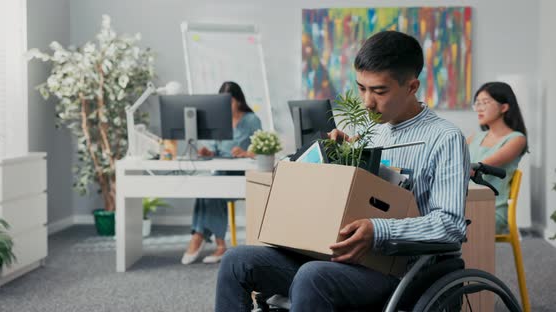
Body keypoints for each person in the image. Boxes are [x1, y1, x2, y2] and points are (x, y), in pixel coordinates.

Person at [215, 30, 471, 311]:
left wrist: (378, 230)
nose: (367, 102)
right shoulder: (368, 131)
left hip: (396, 270)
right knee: (236, 261)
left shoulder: (445, 138)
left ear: (412, 87)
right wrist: (333, 159)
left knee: (312, 276)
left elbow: (450, 225)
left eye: (379, 91)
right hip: (338, 256)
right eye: (362, 88)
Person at [181, 81, 262, 265]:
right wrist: (207, 152)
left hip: (242, 174)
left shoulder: (251, 120)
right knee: (209, 185)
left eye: (231, 102)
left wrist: (245, 153)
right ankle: (210, 240)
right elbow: (215, 148)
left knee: (214, 186)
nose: (227, 107)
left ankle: (203, 238)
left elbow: (262, 150)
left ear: (239, 101)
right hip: (222, 171)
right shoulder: (219, 120)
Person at [468, 82, 528, 234]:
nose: (479, 108)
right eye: (477, 103)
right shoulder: (474, 138)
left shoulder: (516, 139)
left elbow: (477, 167)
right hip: (464, 203)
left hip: (491, 209)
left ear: (504, 107)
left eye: (485, 102)